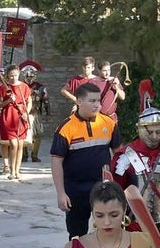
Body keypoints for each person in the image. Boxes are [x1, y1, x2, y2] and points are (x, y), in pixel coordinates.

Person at [50, 83, 121, 239]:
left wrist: (120, 186)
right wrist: (61, 194)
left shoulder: (109, 123)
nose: (97, 105)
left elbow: (119, 155)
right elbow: (56, 161)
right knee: (77, 235)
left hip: (104, 189)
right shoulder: (66, 128)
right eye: (92, 101)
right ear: (79, 101)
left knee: (108, 231)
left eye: (99, 100)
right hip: (76, 191)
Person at [111, 92, 160, 243]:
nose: (155, 136)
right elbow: (116, 195)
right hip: (135, 228)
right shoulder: (124, 157)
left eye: (158, 132)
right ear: (141, 130)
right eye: (150, 132)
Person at [0, 64, 31, 179]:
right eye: (11, 76)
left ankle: (17, 171)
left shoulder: (24, 86)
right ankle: (12, 170)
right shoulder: (3, 88)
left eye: (15, 75)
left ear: (19, 74)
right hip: (8, 117)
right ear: (7, 76)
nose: (13, 78)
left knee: (20, 145)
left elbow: (29, 101)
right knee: (13, 144)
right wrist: (9, 100)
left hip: (21, 117)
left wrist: (26, 113)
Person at [19, 61, 49, 163]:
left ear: (34, 76)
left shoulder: (41, 87)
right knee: (23, 133)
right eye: (27, 76)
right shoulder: (20, 86)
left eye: (31, 76)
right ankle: (24, 155)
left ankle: (34, 155)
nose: (29, 78)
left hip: (36, 113)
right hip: (22, 113)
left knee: (37, 134)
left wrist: (48, 113)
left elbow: (46, 101)